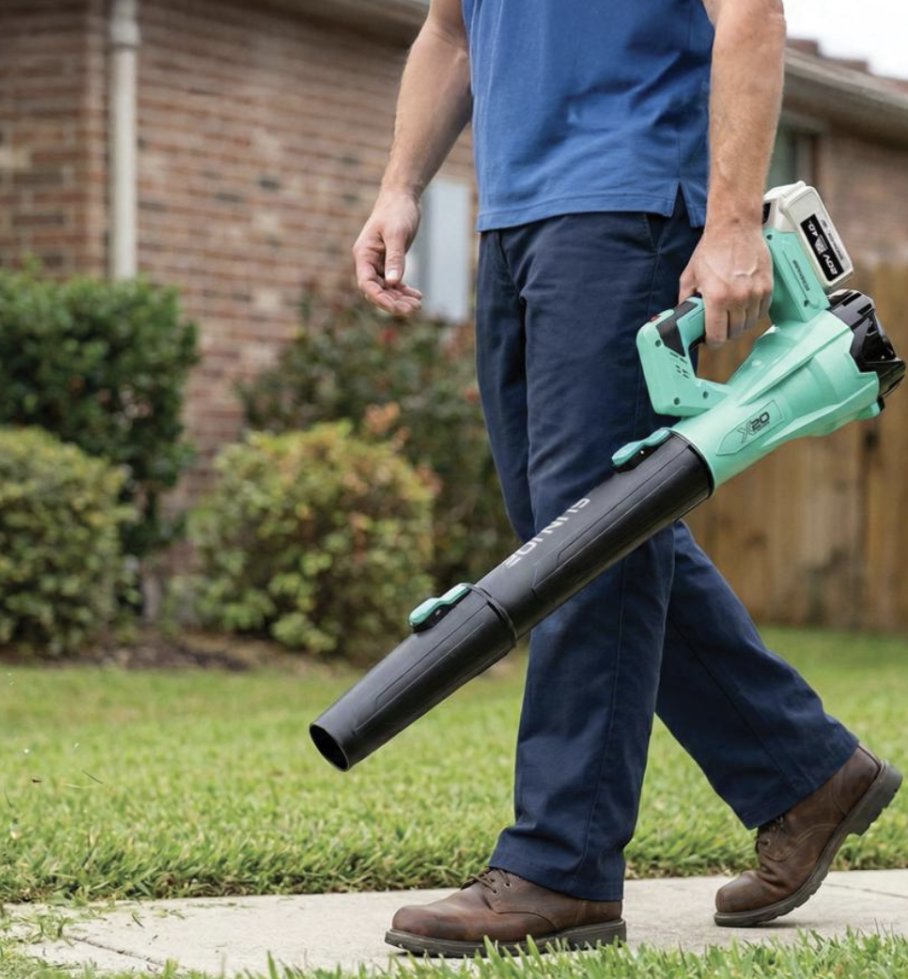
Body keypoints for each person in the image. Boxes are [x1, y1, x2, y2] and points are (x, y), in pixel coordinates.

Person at [350, 0, 902, 957]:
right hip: (512, 221)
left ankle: (560, 865)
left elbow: (751, 14)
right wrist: (401, 185)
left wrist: (731, 220)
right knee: (577, 534)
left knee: (586, 545)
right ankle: (806, 776)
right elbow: (448, 31)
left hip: (625, 207)